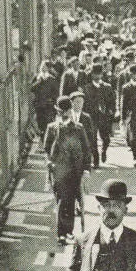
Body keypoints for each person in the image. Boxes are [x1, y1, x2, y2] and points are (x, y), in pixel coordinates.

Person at [43, 96, 92, 245]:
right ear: (58, 112)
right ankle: (61, 234)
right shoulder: (52, 128)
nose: (65, 114)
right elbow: (46, 148)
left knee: (70, 202)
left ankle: (69, 231)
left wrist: (86, 170)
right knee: (62, 201)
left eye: (67, 111)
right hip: (58, 172)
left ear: (70, 111)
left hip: (75, 172)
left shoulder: (78, 128)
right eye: (62, 112)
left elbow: (86, 150)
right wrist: (50, 163)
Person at [83, 63, 115, 164]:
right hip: (91, 117)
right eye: (94, 74)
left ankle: (104, 151)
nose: (97, 76)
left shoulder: (107, 87)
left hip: (104, 116)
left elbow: (112, 102)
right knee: (92, 139)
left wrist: (111, 111)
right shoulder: (87, 88)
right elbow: (84, 104)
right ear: (91, 75)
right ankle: (95, 158)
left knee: (106, 139)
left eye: (99, 74)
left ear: (102, 75)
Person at [30, 60, 59, 138]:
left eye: (44, 66)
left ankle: (47, 141)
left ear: (48, 68)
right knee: (40, 123)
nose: (42, 68)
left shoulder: (52, 79)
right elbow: (31, 88)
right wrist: (37, 82)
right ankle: (43, 141)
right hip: (39, 105)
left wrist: (52, 102)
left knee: (48, 123)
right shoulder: (36, 77)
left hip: (48, 106)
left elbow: (56, 93)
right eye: (41, 66)